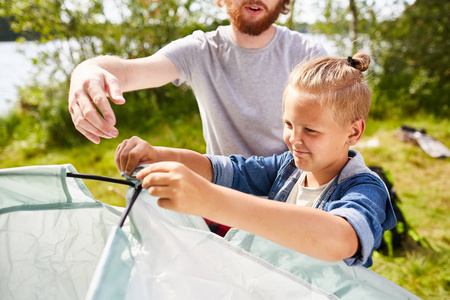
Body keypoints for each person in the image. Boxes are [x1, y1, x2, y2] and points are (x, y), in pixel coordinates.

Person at [114, 53, 397, 267]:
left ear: (354, 131)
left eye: (310, 130)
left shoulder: (365, 188)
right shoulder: (287, 168)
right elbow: (226, 170)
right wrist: (160, 155)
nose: (294, 140)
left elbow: (341, 239)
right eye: (288, 124)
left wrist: (210, 200)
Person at [68, 0, 327, 157]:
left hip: (292, 193)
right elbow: (128, 71)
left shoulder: (308, 55)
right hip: (223, 194)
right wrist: (86, 70)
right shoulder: (200, 50)